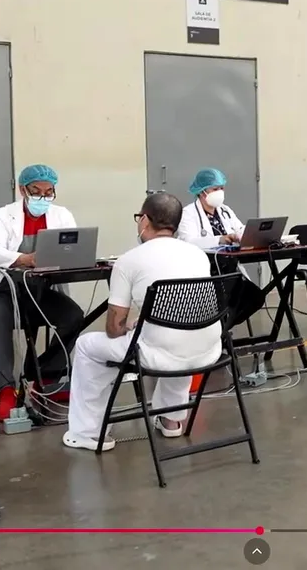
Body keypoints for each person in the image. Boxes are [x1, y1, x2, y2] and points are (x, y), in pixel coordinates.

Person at [64, 192, 218, 451]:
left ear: (144, 220)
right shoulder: (199, 255)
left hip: (159, 355)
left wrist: (127, 326)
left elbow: (113, 330)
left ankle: (88, 432)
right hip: (207, 350)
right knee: (179, 335)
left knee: (87, 346)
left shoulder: (129, 261)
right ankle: (171, 419)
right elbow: (187, 310)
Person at [0, 164, 85, 422]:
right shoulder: (0, 217)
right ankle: (5, 390)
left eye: (49, 192)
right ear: (22, 190)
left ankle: (45, 376)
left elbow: (72, 245)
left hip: (40, 290)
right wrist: (25, 259)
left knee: (73, 315)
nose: (43, 197)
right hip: (6, 290)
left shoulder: (62, 215)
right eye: (36, 191)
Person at [176, 167, 266, 327]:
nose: (220, 192)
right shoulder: (188, 214)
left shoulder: (225, 210)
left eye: (222, 188)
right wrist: (220, 240)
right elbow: (188, 242)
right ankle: (220, 330)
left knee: (255, 297)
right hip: (207, 271)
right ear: (202, 191)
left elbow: (239, 228)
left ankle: (223, 328)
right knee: (228, 301)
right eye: (215, 189)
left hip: (230, 270)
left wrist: (244, 235)